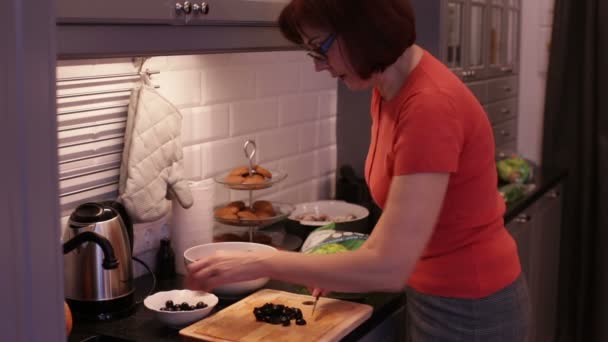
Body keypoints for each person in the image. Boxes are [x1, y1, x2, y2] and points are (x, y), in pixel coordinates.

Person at [186, 0, 531, 340]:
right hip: (438, 295)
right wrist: (340, 272)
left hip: (470, 310)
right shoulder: (389, 88)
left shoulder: (429, 107)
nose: (319, 66)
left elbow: (389, 267)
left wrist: (262, 262)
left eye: (319, 49)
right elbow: (398, 225)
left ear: (362, 31)